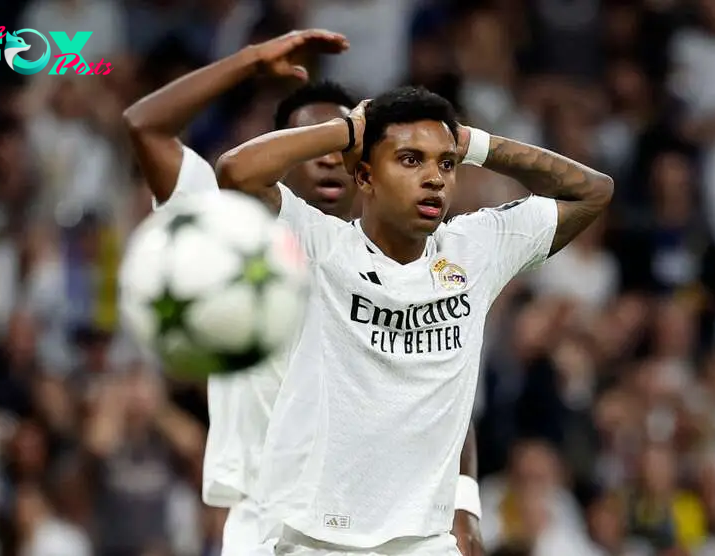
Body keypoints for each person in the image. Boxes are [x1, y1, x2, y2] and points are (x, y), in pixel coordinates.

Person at [123, 31, 484, 555]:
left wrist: (464, 507)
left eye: (345, 144)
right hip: (265, 518)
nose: (329, 157)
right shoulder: (227, 221)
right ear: (282, 153)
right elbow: (144, 126)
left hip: (384, 526)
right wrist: (249, 62)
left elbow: (446, 394)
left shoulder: (410, 255)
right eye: (315, 141)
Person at [216, 83, 613, 555]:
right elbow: (234, 172)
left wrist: (474, 145)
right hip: (314, 539)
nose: (435, 178)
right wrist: (349, 129)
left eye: (445, 164)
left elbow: (593, 192)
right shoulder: (319, 246)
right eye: (410, 160)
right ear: (364, 176)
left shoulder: (476, 248)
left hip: (424, 542)